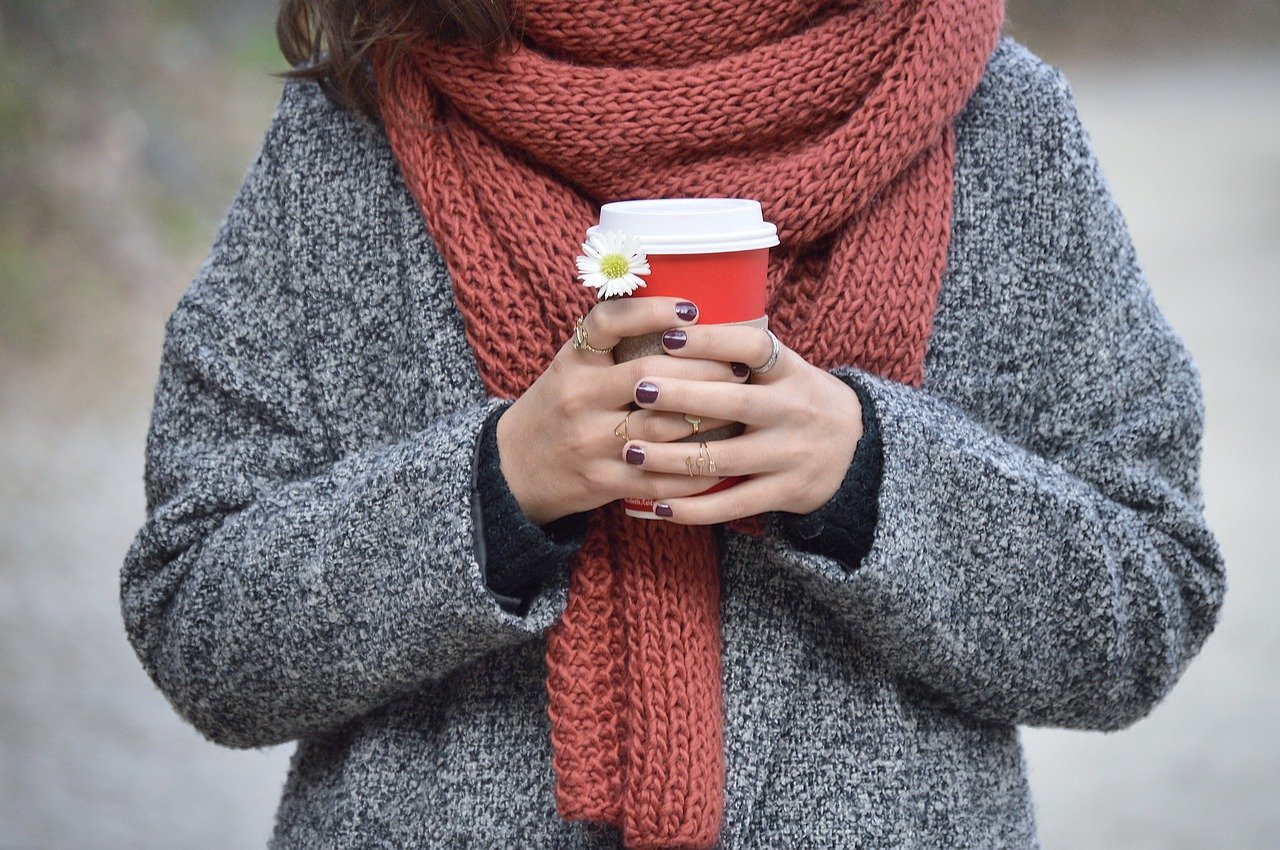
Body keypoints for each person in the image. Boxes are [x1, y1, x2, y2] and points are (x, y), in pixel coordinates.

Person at [119, 0, 1228, 847]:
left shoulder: (996, 123)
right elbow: (198, 622)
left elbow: (1145, 604)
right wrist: (494, 486)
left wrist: (869, 475)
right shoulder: (356, 131)